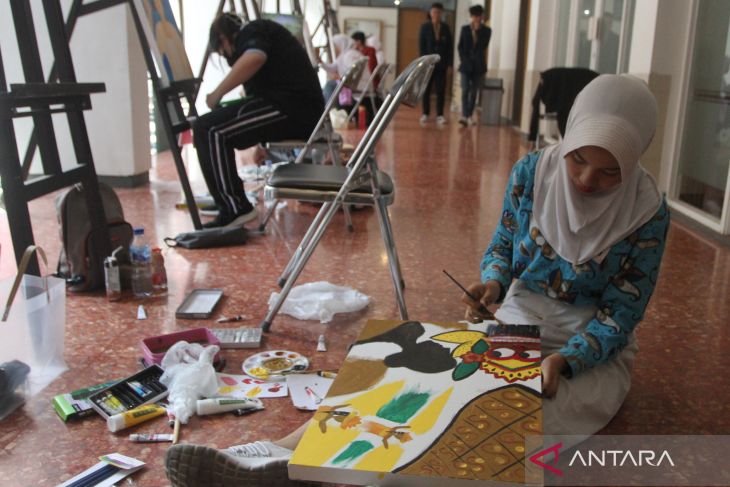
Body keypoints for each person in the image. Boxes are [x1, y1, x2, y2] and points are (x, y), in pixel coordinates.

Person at [165, 75, 669, 485]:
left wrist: (566, 360)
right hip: (516, 321)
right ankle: (276, 452)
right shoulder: (534, 172)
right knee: (415, 375)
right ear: (570, 135)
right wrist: (492, 284)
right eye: (579, 159)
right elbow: (502, 247)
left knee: (494, 421)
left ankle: (319, 471)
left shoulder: (647, 214)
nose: (585, 181)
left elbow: (620, 314)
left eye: (609, 173)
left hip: (587, 353)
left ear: (636, 158)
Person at [193, 13, 325, 228]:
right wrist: (258, 143)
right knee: (210, 125)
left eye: (222, 51)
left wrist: (217, 94)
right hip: (292, 108)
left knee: (209, 128)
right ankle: (230, 204)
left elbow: (255, 57)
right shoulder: (262, 35)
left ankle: (234, 208)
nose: (227, 57)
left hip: (293, 109)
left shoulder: (252, 32)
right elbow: (253, 105)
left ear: (224, 38)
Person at [457, 4, 491, 126]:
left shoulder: (486, 31)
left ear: (482, 16)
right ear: (471, 16)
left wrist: (477, 31)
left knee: (474, 91)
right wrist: (463, 59)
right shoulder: (465, 29)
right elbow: (460, 46)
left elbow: (483, 46)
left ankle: (470, 115)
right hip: (466, 65)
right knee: (465, 89)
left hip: (479, 65)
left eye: (479, 16)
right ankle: (464, 115)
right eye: (474, 16)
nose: (477, 18)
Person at [419, 2, 453, 125]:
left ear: (442, 14)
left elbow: (450, 48)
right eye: (434, 12)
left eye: (439, 12)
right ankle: (425, 113)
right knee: (426, 90)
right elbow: (421, 47)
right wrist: (423, 64)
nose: (436, 14)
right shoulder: (425, 27)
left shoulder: (445, 28)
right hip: (428, 65)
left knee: (440, 90)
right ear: (430, 13)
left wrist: (450, 65)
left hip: (442, 64)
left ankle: (440, 114)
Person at [320, 34, 369, 104]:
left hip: (359, 86)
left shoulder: (350, 55)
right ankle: (330, 109)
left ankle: (330, 110)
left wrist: (340, 78)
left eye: (336, 46)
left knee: (330, 85)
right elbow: (332, 68)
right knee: (328, 87)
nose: (335, 48)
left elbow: (354, 73)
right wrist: (320, 62)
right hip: (357, 85)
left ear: (341, 44)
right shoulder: (344, 55)